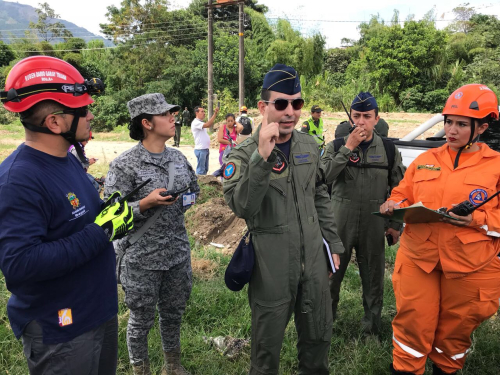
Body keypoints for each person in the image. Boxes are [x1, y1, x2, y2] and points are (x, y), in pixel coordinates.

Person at [0, 56, 133, 374]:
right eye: (82, 109)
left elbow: (75, 220)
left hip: (97, 312)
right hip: (62, 328)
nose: (90, 115)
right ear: (55, 123)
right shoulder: (18, 180)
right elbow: (20, 264)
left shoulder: (68, 159)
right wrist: (100, 232)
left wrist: (108, 213)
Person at [223, 63, 344, 375]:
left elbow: (319, 195)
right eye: (281, 104)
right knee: (266, 350)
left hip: (314, 262)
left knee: (318, 336)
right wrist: (261, 158)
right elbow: (242, 207)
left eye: (297, 103)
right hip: (271, 266)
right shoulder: (241, 154)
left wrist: (333, 242)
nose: (290, 112)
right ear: (263, 107)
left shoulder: (309, 145)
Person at [380, 84, 500, 375]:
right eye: (448, 122)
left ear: (482, 127)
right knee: (413, 323)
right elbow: (402, 192)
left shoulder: (496, 167)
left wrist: (476, 220)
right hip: (419, 259)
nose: (451, 130)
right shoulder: (425, 161)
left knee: (454, 331)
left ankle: (445, 368)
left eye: (461, 124)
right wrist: (392, 204)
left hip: (470, 266)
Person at [104, 93, 199, 375]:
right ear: (146, 123)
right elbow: (109, 218)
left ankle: (173, 366)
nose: (173, 118)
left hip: (177, 253)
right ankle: (140, 370)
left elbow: (194, 189)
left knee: (173, 315)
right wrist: (146, 203)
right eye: (165, 114)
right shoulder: (125, 164)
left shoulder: (178, 158)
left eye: (173, 113)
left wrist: (184, 199)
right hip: (140, 258)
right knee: (140, 319)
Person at [322, 92, 406, 341]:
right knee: (330, 276)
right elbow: (322, 177)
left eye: (367, 116)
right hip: (339, 222)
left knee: (373, 279)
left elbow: (399, 189)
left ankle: (371, 329)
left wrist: (395, 224)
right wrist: (348, 148)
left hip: (373, 222)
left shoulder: (389, 150)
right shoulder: (336, 146)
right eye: (356, 116)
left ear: (376, 118)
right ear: (350, 119)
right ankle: (324, 325)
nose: (361, 122)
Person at [191, 105, 219, 175]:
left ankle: (203, 184)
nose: (204, 113)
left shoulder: (201, 122)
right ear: (196, 113)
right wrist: (215, 114)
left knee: (205, 169)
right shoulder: (196, 123)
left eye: (204, 111)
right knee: (201, 171)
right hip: (201, 149)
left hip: (204, 149)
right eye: (202, 111)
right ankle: (199, 184)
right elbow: (208, 124)